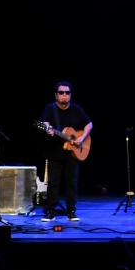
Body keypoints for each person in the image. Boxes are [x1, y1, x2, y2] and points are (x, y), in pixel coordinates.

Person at [40, 81, 92, 222]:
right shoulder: (50, 109)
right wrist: (47, 129)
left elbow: (89, 124)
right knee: (54, 183)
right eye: (61, 93)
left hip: (73, 153)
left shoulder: (76, 109)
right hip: (54, 153)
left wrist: (81, 138)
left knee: (71, 183)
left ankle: (71, 212)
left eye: (67, 93)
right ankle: (50, 212)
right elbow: (44, 123)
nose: (64, 95)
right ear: (56, 95)